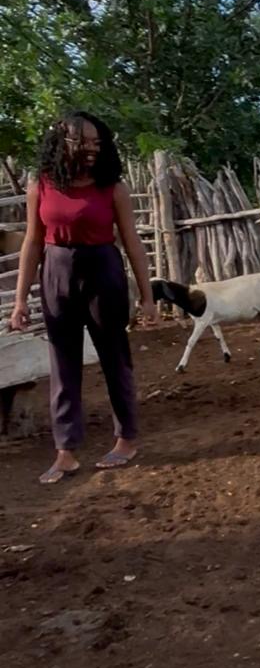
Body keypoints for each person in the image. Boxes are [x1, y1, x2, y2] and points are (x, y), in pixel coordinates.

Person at [8, 112, 158, 483]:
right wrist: (20, 299)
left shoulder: (112, 187)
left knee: (114, 356)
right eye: (84, 141)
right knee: (63, 362)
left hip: (102, 270)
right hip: (57, 270)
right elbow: (31, 241)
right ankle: (66, 451)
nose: (92, 149)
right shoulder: (40, 185)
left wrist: (148, 296)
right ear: (61, 142)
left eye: (97, 142)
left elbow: (132, 242)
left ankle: (126, 438)